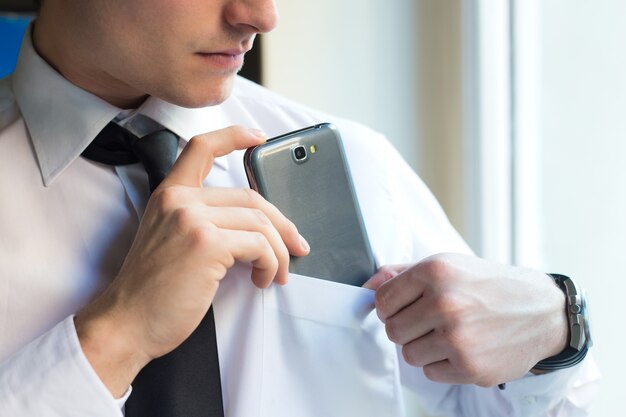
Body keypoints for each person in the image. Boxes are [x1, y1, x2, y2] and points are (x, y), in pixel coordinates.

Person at [0, 0, 599, 416]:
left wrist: (556, 328)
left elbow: (508, 401)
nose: (260, 17)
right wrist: (118, 335)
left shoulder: (354, 163)